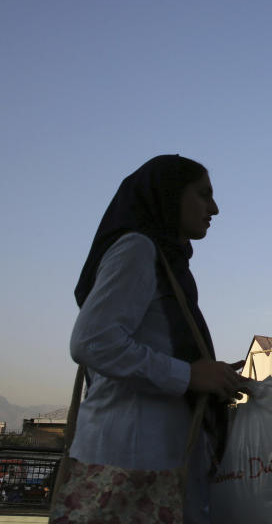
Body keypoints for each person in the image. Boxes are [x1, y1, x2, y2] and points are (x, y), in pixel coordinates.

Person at [68, 155, 246, 523]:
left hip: (155, 462)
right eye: (203, 194)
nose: (214, 207)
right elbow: (92, 341)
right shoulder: (137, 249)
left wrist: (209, 377)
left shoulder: (169, 264)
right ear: (169, 195)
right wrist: (188, 376)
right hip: (130, 461)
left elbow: (153, 343)